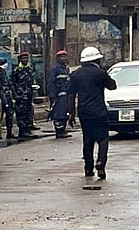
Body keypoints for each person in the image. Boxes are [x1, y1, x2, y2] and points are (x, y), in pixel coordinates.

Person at [68, 46, 117, 179]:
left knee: (87, 139)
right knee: (103, 138)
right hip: (99, 111)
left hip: (84, 112)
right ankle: (101, 163)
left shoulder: (75, 75)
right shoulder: (100, 73)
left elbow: (71, 95)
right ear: (97, 59)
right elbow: (112, 86)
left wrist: (71, 114)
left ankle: (88, 168)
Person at [10, 51, 38, 139]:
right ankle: (22, 132)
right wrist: (15, 95)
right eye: (23, 58)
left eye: (26, 58)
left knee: (29, 113)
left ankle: (28, 130)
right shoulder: (16, 70)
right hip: (20, 96)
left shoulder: (29, 68)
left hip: (29, 95)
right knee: (21, 114)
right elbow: (11, 83)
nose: (25, 60)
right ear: (19, 59)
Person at [48, 50, 72, 139]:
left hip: (65, 95)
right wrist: (53, 96)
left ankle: (63, 130)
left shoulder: (65, 68)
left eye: (65, 57)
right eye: (62, 57)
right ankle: (59, 131)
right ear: (57, 58)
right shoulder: (55, 69)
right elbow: (51, 82)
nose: (64, 58)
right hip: (58, 95)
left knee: (64, 113)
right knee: (58, 114)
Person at [0, 58, 16, 141]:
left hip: (1, 97)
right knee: (9, 115)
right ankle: (9, 133)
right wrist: (6, 101)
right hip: (5, 97)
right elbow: (3, 87)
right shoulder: (1, 72)